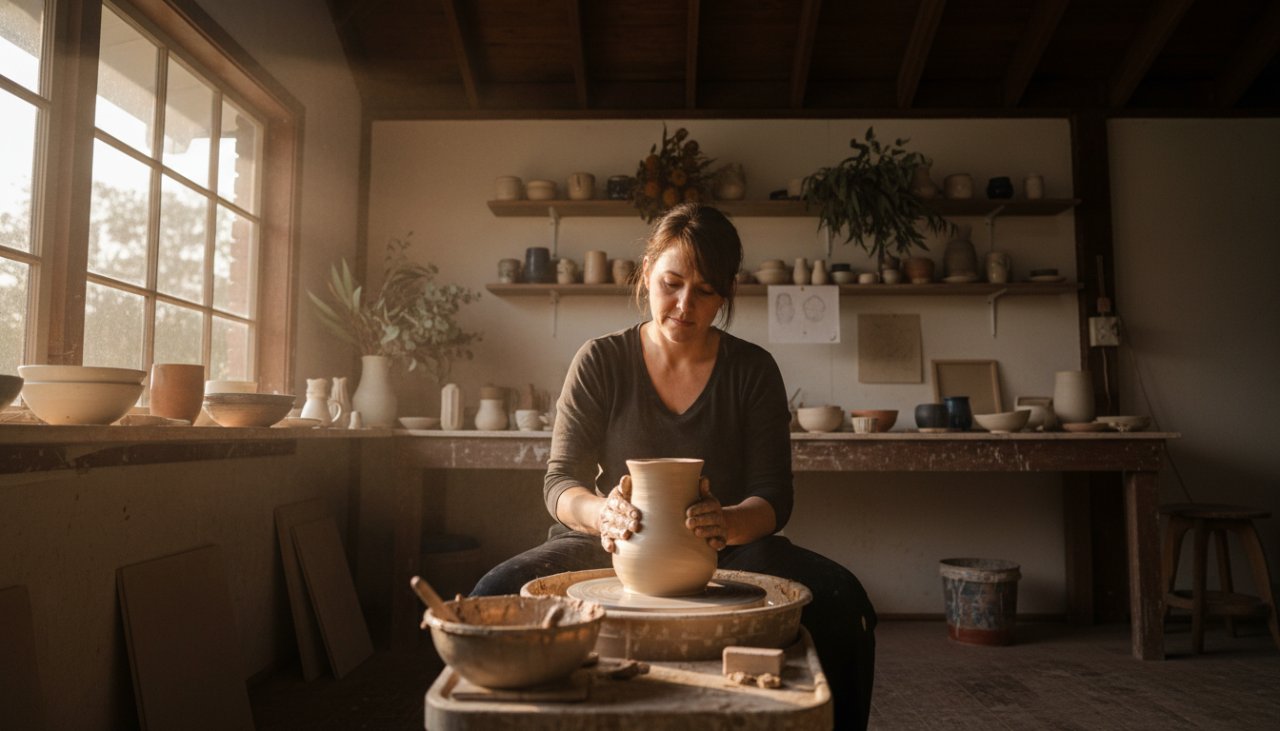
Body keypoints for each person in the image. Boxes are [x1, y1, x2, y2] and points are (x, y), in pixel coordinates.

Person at [472, 203, 877, 729]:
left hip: (729, 546)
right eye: (672, 283)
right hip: (609, 542)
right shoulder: (601, 360)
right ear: (646, 275)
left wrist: (728, 521)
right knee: (490, 599)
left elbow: (774, 499)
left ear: (726, 293)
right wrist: (604, 516)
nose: (685, 305)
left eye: (705, 291)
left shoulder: (752, 370)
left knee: (846, 605)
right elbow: (560, 481)